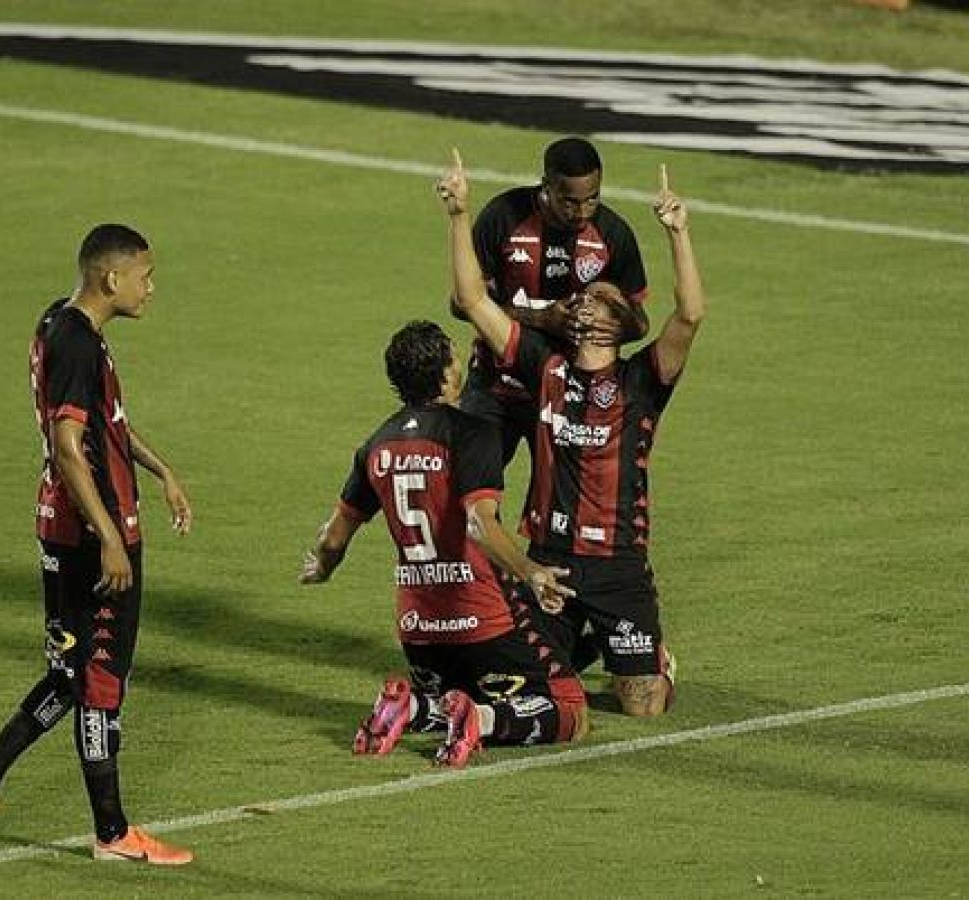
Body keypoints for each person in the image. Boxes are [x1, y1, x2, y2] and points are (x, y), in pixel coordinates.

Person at [438, 150, 706, 717]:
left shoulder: (642, 381)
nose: (590, 304)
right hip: (553, 559)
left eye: (604, 302)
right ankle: (577, 648)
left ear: (619, 327)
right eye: (587, 298)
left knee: (643, 707)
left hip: (619, 565)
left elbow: (689, 316)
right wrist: (458, 215)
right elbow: (471, 301)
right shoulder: (545, 369)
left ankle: (649, 660)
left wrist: (679, 233)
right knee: (515, 683)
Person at [300, 320, 588, 767]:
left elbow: (334, 537)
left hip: (419, 628)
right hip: (481, 618)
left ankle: (411, 707)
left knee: (457, 696)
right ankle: (484, 722)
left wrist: (321, 567)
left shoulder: (376, 445)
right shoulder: (471, 433)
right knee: (569, 710)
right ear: (446, 373)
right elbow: (479, 524)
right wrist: (530, 571)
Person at [0, 224, 194, 865]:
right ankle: (113, 834)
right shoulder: (80, 344)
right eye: (145, 274)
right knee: (99, 684)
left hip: (57, 527)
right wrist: (111, 537)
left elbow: (105, 424)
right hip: (93, 537)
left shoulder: (58, 322)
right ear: (112, 278)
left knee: (66, 674)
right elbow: (67, 446)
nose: (151, 286)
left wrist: (162, 471)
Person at [452, 136, 651, 467]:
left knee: (558, 508)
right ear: (546, 185)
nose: (582, 211)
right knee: (468, 489)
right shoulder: (503, 217)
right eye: (570, 201)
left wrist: (609, 327)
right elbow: (462, 303)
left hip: (567, 395)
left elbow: (640, 323)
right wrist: (541, 318)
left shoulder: (613, 233)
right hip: (494, 385)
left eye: (592, 199)